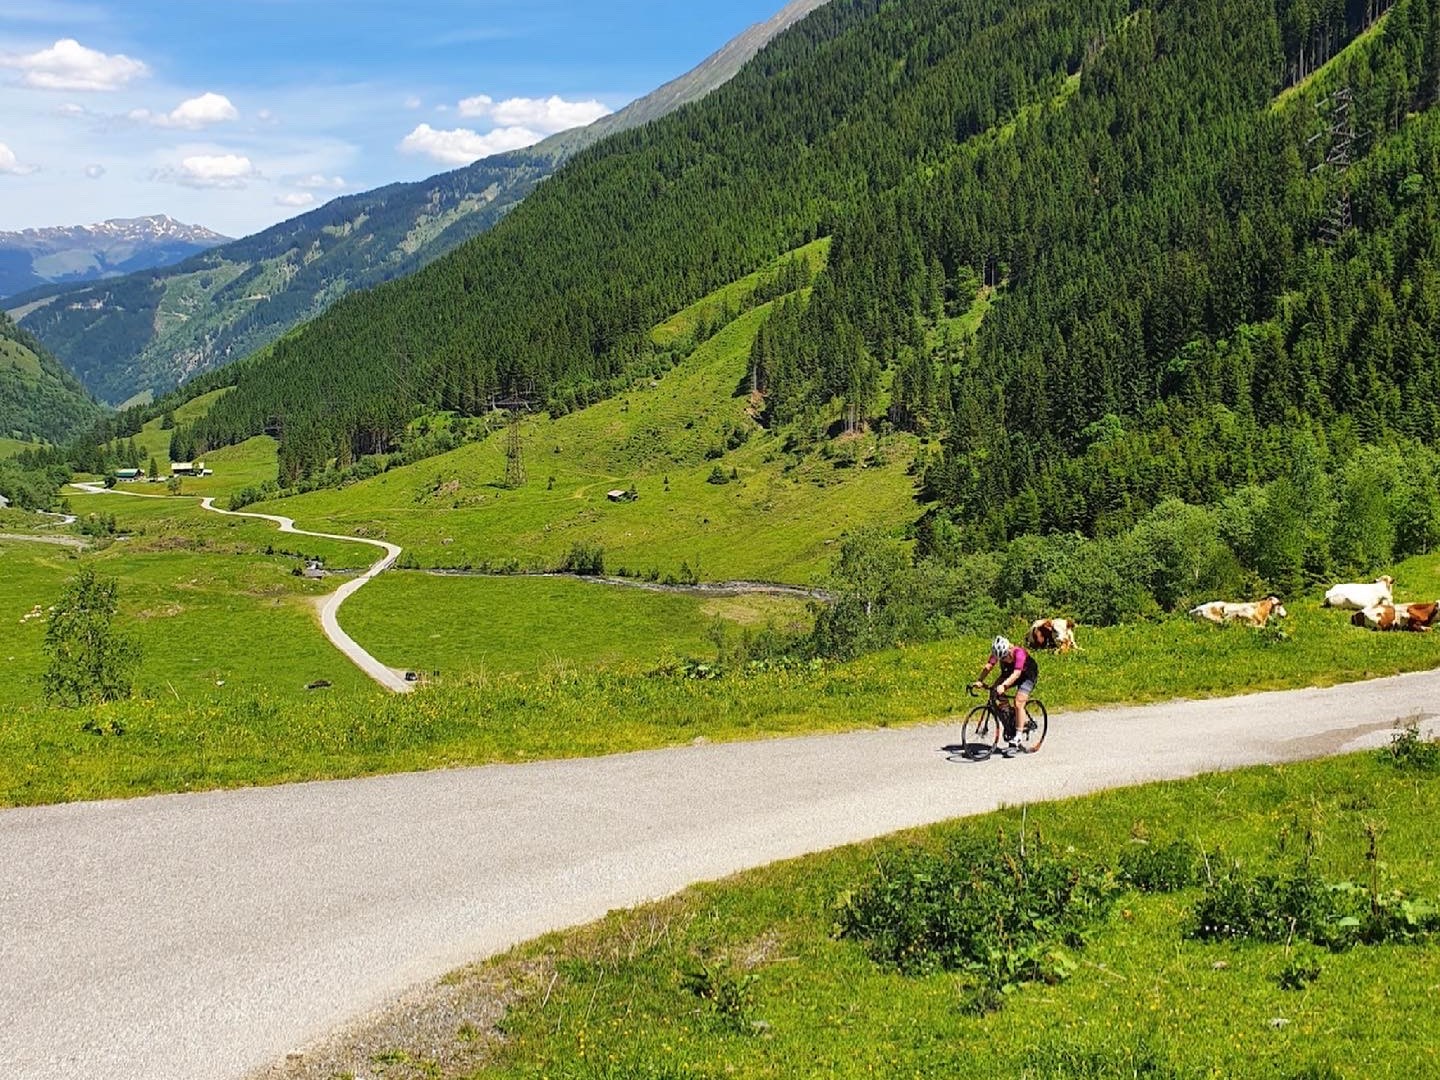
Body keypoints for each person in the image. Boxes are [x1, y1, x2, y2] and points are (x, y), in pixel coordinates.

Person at [970, 635, 1039, 752]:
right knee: (994, 692)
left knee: (1018, 702)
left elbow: (1016, 674)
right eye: (1000, 658)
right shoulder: (998, 653)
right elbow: (989, 666)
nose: (1003, 660)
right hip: (1010, 674)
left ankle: (1018, 736)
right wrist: (979, 680)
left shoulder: (1019, 653)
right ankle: (1010, 717)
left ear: (1009, 650)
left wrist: (1004, 686)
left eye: (1005, 657)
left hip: (1027, 676)